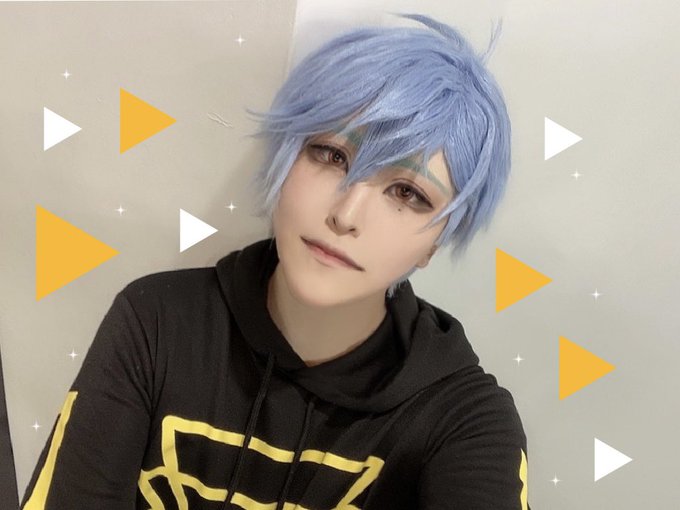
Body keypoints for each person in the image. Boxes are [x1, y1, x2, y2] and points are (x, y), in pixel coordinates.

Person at [22, 13, 530, 510]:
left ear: (436, 242)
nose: (346, 215)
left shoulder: (463, 419)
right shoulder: (157, 323)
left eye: (407, 192)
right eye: (332, 155)